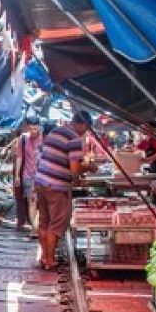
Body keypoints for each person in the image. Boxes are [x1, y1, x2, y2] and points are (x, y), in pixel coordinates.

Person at [34, 111, 94, 270]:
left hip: (41, 181)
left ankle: (44, 257)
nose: (85, 132)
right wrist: (89, 168)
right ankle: (50, 260)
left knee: (44, 222)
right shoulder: (74, 138)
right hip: (56, 186)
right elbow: (74, 168)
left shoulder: (55, 132)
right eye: (86, 128)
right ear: (82, 124)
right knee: (56, 223)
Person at [12, 117, 42, 232]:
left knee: (40, 203)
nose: (33, 131)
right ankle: (34, 229)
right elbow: (19, 157)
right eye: (31, 129)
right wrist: (17, 176)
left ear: (39, 127)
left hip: (42, 176)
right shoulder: (23, 139)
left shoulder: (44, 139)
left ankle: (37, 226)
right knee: (32, 201)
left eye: (35, 128)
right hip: (27, 175)